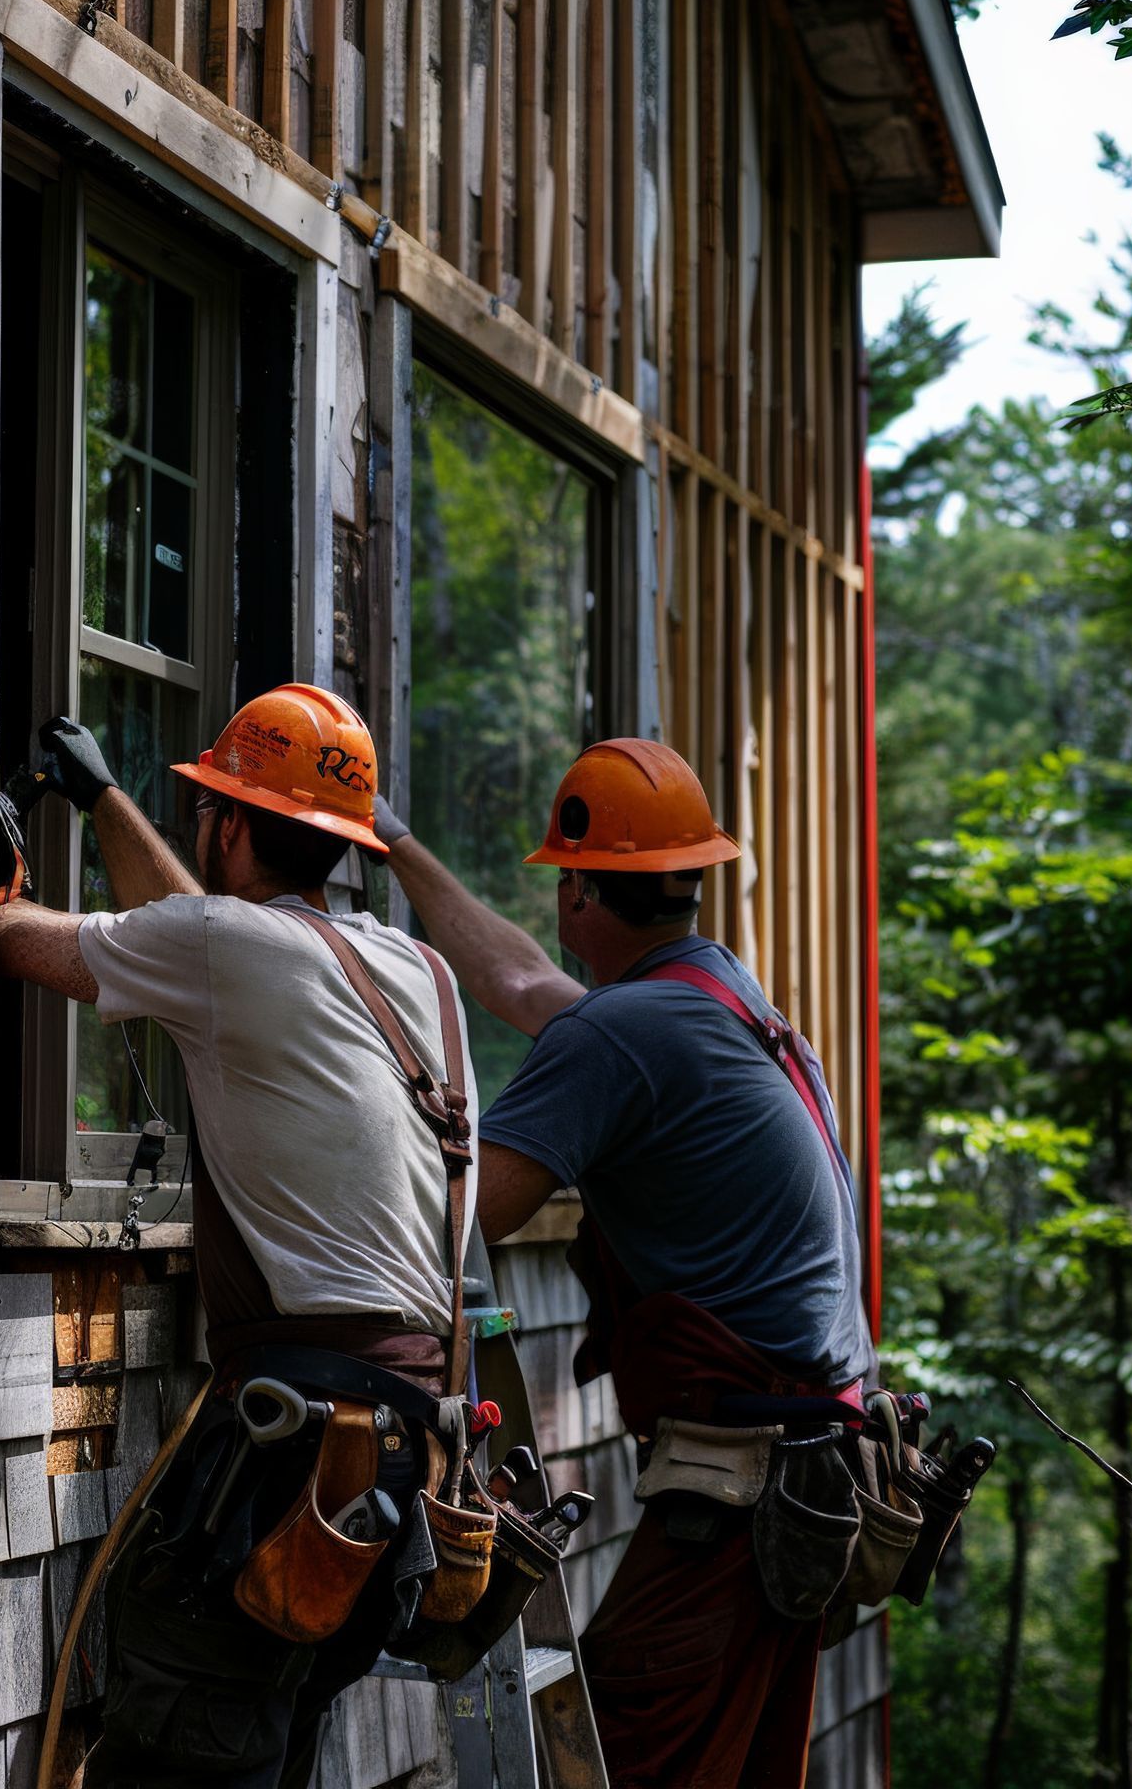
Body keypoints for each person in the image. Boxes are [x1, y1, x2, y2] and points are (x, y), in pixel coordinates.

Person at [0, 684, 481, 1789]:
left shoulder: (226, 952)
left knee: (179, 1755)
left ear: (228, 823)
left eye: (211, 808)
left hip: (294, 1460)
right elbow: (209, 948)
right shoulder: (420, 975)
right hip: (409, 1472)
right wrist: (107, 799)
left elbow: (26, 944)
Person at [376, 738, 875, 1789]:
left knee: (631, 1745)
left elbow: (459, 1225)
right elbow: (515, 978)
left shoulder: (622, 1035)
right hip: (819, 1480)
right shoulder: (717, 998)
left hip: (744, 1496)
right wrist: (399, 844)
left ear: (579, 893)